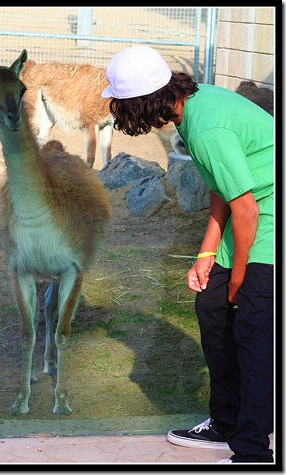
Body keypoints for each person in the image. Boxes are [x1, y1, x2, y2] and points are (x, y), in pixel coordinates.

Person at [101, 45, 274, 464]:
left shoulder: (208, 127)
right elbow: (223, 187)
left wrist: (238, 277)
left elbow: (246, 208)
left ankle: (252, 452)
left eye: (123, 106)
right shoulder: (193, 108)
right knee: (212, 306)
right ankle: (226, 422)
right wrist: (208, 252)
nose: (122, 114)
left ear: (143, 103)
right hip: (249, 212)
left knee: (254, 330)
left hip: (268, 220)